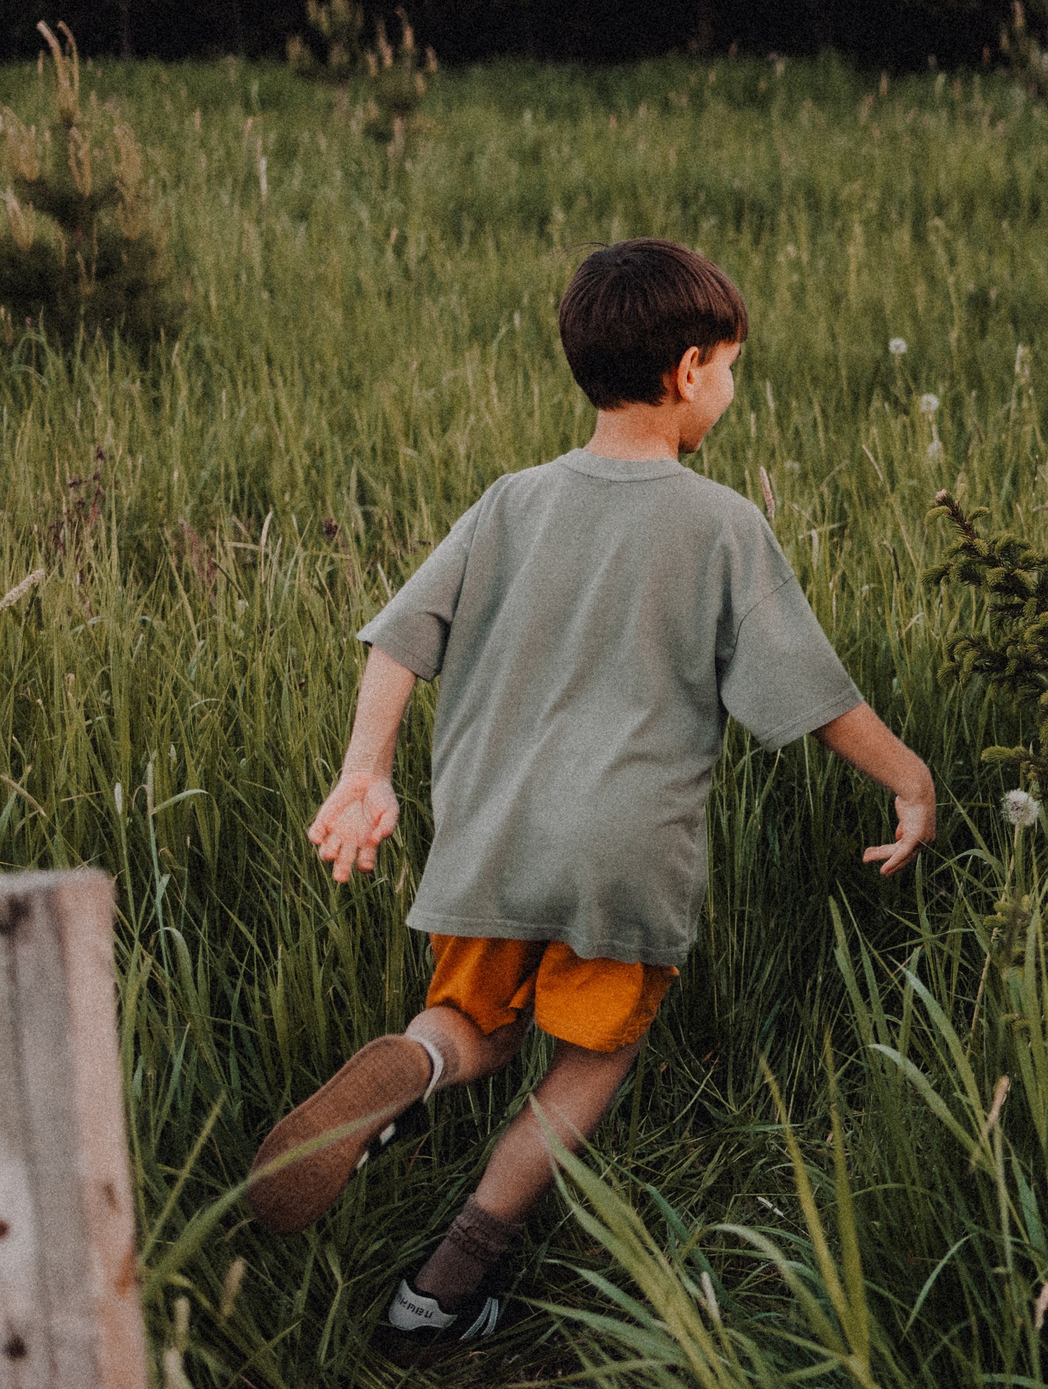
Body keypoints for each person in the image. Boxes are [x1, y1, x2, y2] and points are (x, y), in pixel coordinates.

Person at [244, 237, 936, 1356]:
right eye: (730, 372)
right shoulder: (721, 525)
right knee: (591, 1057)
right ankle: (443, 1293)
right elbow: (810, 695)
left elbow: (399, 639)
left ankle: (412, 1071)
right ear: (689, 368)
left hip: (489, 836)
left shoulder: (511, 501)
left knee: (471, 1024)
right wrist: (909, 778)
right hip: (623, 854)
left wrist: (363, 771)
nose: (730, 393)